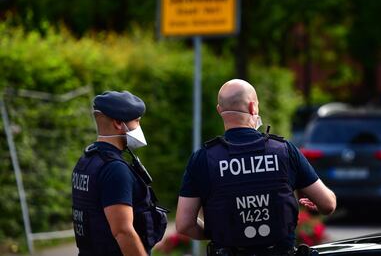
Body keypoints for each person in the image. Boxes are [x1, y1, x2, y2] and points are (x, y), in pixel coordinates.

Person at [176, 79, 336, 256]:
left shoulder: (203, 158)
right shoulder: (284, 150)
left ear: (219, 110)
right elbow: (328, 204)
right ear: (253, 108)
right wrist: (318, 205)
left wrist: (219, 233)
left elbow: (184, 224)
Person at [72, 90, 167, 256]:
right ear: (118, 123)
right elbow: (123, 231)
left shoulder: (87, 161)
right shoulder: (114, 169)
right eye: (136, 121)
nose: (139, 127)